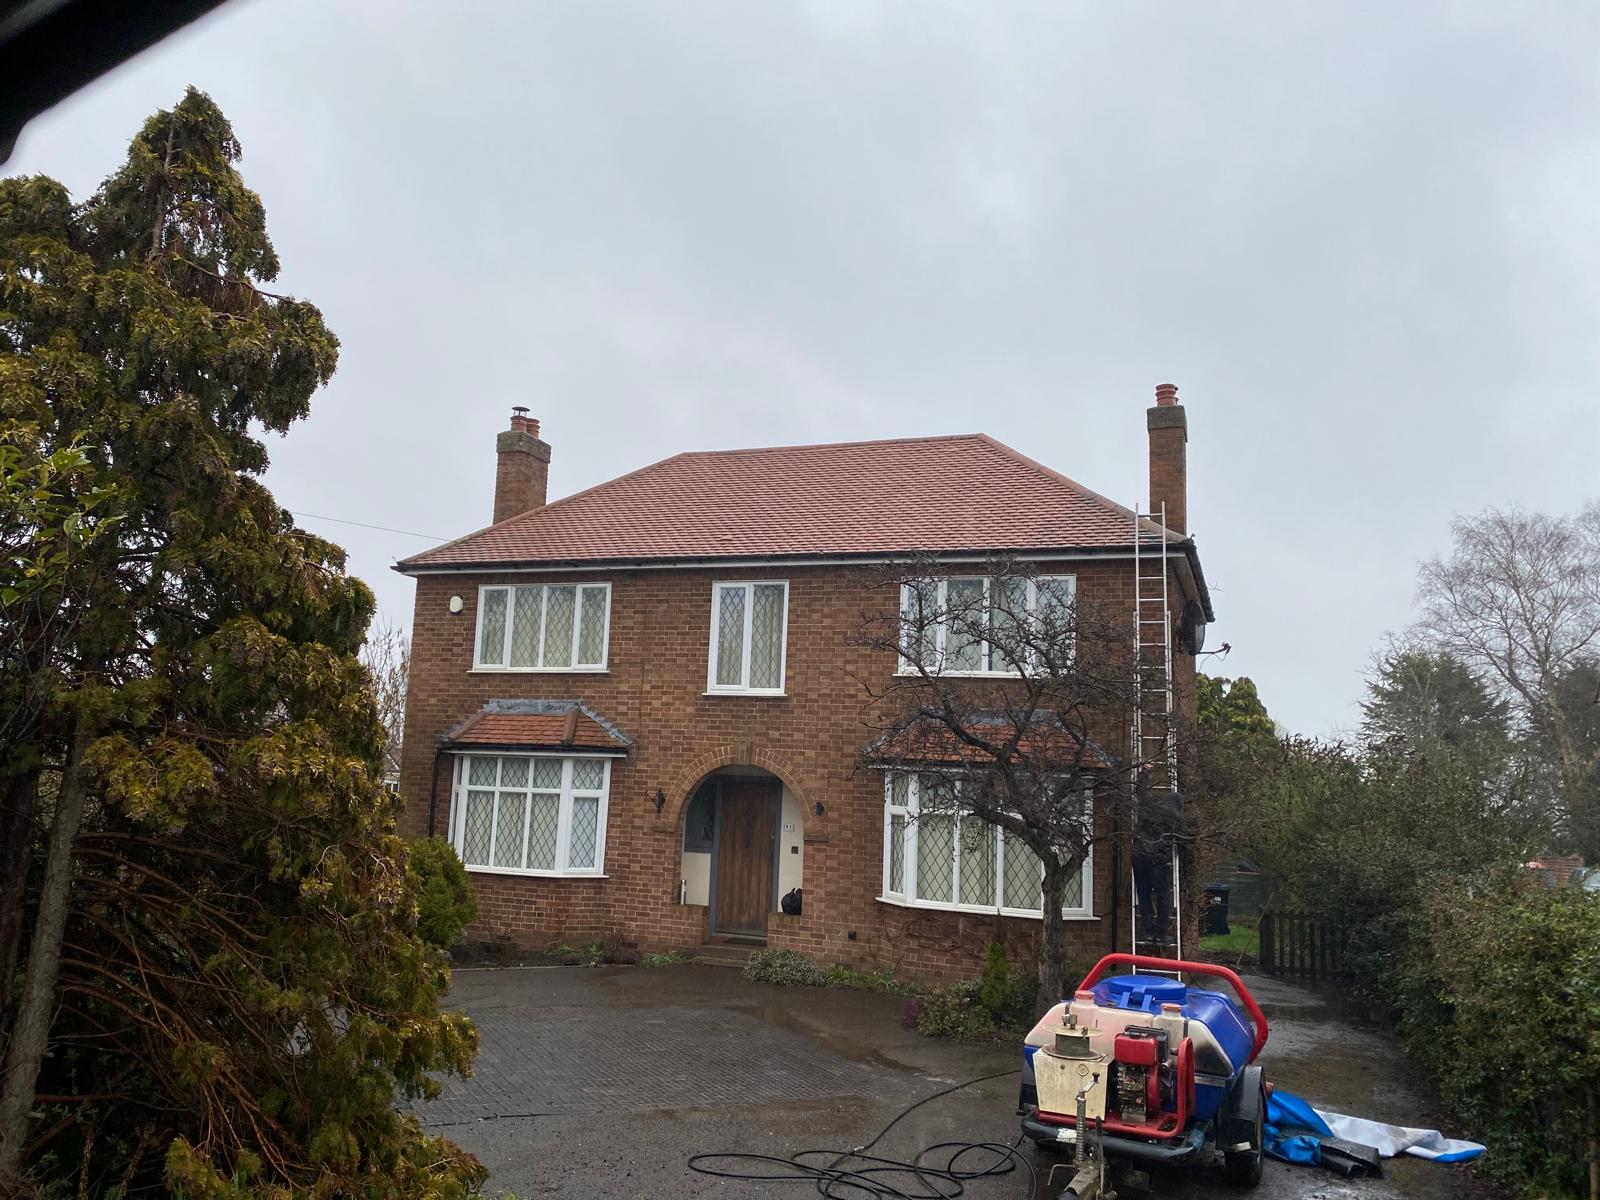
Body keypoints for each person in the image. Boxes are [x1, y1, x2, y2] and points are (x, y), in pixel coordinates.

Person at [1133, 782, 1189, 943]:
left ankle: (1148, 932)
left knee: (1144, 896)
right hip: (1157, 859)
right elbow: (1182, 841)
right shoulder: (1176, 816)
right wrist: (1184, 864)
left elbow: (1141, 792)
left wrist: (1144, 774)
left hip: (1138, 857)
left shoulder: (1149, 808)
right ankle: (1161, 933)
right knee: (1163, 896)